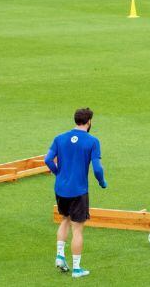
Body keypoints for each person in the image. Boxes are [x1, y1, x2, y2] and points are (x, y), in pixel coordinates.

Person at [45, 108, 107, 278]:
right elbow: (98, 169)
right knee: (77, 229)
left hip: (61, 189)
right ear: (89, 122)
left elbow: (47, 160)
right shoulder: (92, 141)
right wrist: (102, 182)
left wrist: (57, 172)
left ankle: (59, 255)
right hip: (78, 190)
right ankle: (77, 269)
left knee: (65, 219)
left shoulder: (60, 138)